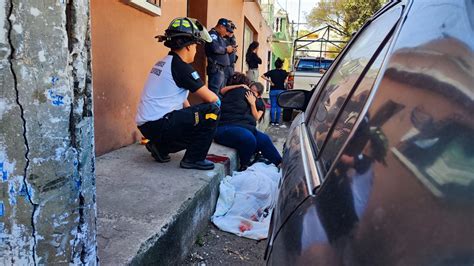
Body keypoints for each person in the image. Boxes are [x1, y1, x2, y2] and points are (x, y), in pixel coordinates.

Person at [136, 17, 220, 170]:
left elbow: (182, 101)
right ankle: (193, 159)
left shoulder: (165, 61)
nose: (196, 50)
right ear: (188, 46)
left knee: (196, 122)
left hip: (150, 126)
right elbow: (211, 98)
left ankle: (160, 148)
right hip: (160, 124)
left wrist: (192, 118)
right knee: (212, 111)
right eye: (196, 45)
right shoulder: (181, 67)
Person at [215, 72, 282, 171]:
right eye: (249, 88)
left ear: (259, 95)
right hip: (225, 128)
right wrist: (241, 86)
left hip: (245, 128)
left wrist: (252, 104)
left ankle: (280, 163)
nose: (250, 91)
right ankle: (244, 165)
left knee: (264, 139)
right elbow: (222, 91)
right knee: (248, 138)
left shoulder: (255, 99)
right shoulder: (229, 93)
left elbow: (256, 117)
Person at [205, 18, 236, 94]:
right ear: (221, 26)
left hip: (221, 69)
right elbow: (215, 48)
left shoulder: (220, 36)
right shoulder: (213, 34)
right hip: (216, 68)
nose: (226, 32)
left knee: (220, 92)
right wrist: (226, 49)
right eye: (226, 29)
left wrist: (230, 50)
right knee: (214, 92)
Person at [262, 58, 288, 126]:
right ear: (281, 65)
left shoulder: (272, 72)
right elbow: (286, 81)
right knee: (279, 106)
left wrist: (270, 81)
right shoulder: (284, 72)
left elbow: (262, 76)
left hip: (273, 90)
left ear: (275, 65)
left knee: (273, 106)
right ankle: (277, 122)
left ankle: (272, 121)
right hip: (281, 91)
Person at [224, 21, 238, 86]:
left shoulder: (232, 37)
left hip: (231, 64)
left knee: (231, 82)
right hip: (225, 65)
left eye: (233, 28)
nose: (232, 31)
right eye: (231, 28)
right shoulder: (223, 37)